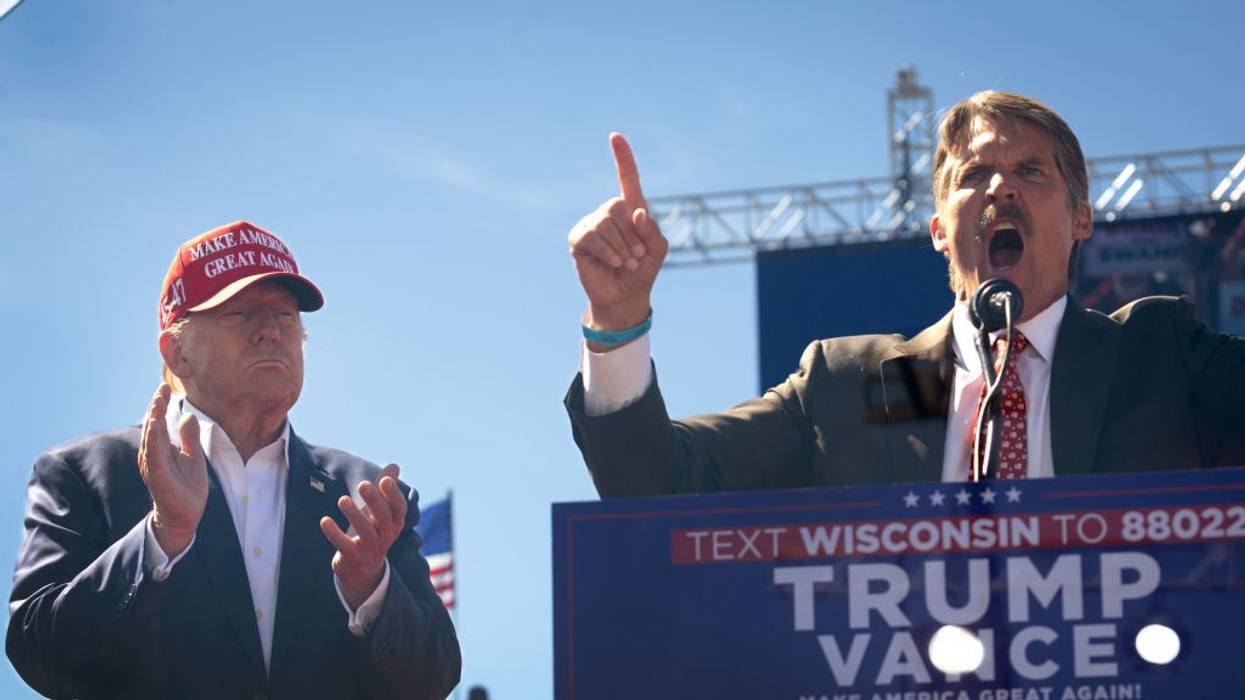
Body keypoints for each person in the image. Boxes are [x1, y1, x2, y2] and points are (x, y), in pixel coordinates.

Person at [564, 91, 1245, 498]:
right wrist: (617, 322)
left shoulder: (1159, 354)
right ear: (937, 231)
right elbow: (657, 481)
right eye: (973, 175)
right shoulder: (851, 385)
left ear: (1081, 219)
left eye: (1029, 171)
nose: (1000, 189)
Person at [8, 221, 461, 699]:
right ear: (176, 350)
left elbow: (432, 682)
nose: (269, 331)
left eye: (285, 316)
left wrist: (371, 591)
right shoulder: (85, 474)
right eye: (240, 313)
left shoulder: (365, 495)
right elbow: (41, 652)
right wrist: (160, 538)